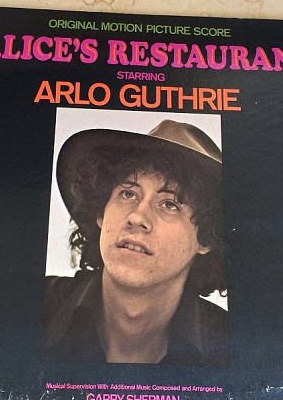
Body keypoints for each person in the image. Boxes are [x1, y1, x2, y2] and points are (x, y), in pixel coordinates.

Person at [41, 119, 228, 365]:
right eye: (128, 193)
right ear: (101, 212)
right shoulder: (31, 308)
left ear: (207, 237)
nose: (137, 217)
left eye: (169, 204)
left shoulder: (233, 347)